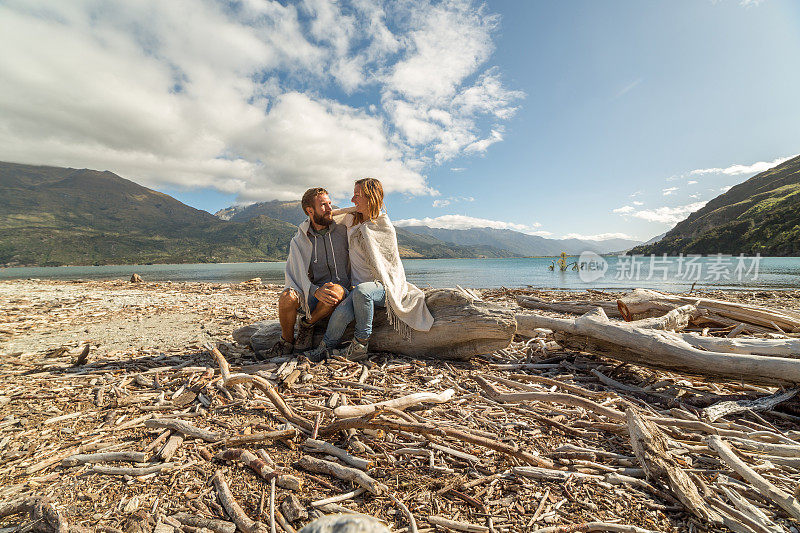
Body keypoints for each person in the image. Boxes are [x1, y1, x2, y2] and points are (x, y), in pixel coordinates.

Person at [303, 178, 433, 361]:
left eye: (357, 195)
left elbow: (390, 265)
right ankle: (323, 349)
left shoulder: (383, 225)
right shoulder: (351, 220)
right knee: (341, 312)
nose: (352, 200)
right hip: (358, 288)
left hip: (384, 287)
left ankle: (360, 346)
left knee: (364, 291)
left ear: (370, 197)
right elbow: (327, 216)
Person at [262, 187, 351, 358]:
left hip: (342, 291)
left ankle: (307, 324)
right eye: (323, 205)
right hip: (313, 292)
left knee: (335, 291)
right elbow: (295, 274)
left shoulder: (344, 230)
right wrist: (314, 290)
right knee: (287, 297)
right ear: (310, 210)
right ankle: (286, 342)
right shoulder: (300, 239)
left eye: (330, 203)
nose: (330, 208)